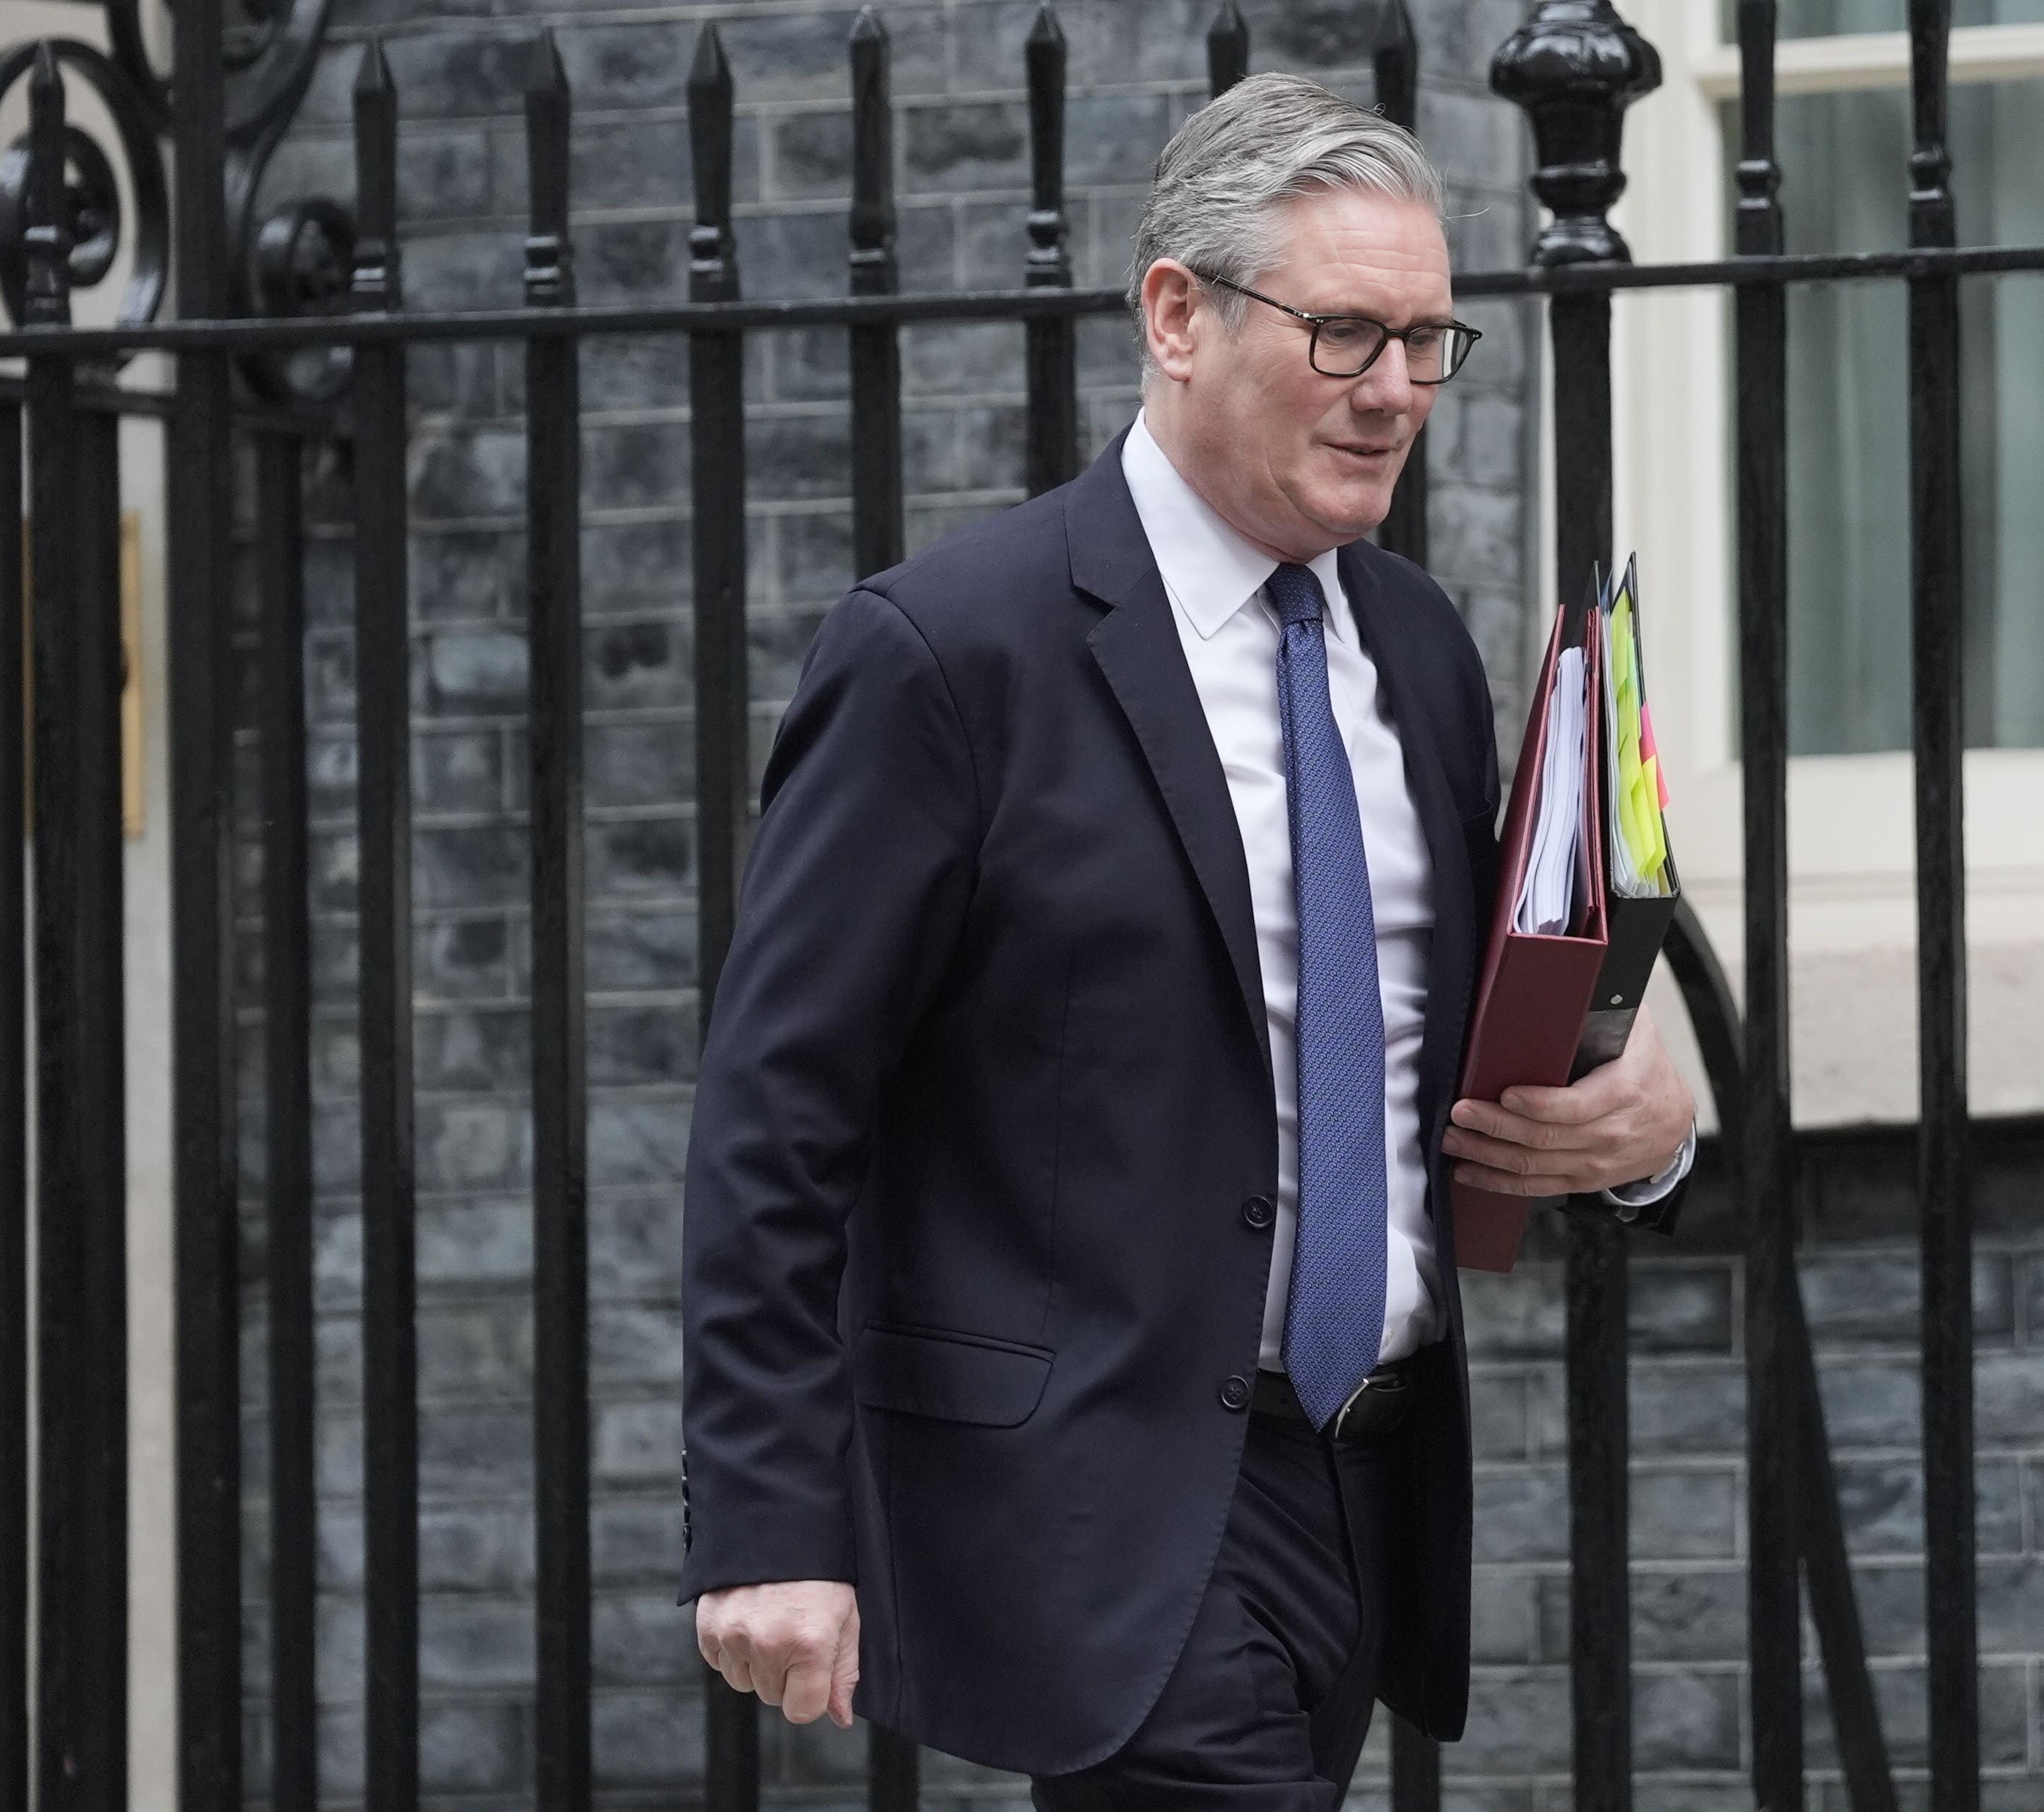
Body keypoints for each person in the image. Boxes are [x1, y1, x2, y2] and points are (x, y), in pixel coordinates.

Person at [677, 73, 1697, 1806]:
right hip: (1103, 1504)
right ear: (1175, 315)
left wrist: (1642, 1129)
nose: (1396, 390)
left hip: (1365, 1482)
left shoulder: (1420, 650)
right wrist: (769, 1518)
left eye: (1426, 342)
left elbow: (1461, 1042)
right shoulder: (949, 655)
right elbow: (780, 1111)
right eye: (1344, 333)